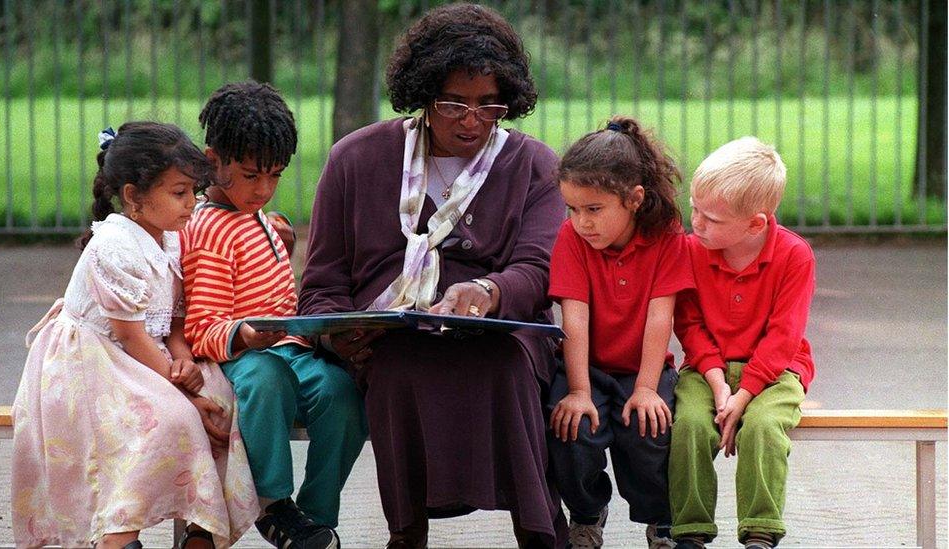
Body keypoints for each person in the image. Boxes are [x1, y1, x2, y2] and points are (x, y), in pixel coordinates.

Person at [297, 4, 568, 547]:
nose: (471, 119)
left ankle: (540, 528)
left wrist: (489, 291)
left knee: (506, 363)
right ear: (422, 93)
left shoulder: (533, 163)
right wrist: (342, 334)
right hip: (390, 336)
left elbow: (540, 270)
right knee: (397, 363)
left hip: (503, 330)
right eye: (453, 104)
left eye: (489, 104)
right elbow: (322, 282)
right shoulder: (356, 158)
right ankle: (406, 531)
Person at [10, 122, 259, 549]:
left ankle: (201, 531)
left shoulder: (170, 239)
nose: (190, 205)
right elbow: (130, 336)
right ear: (133, 196)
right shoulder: (113, 245)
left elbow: (173, 317)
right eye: (179, 193)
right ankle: (118, 534)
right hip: (93, 363)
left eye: (193, 192)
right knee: (165, 420)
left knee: (220, 399)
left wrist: (182, 359)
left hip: (144, 355)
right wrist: (181, 388)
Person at [181, 81, 368, 549]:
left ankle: (315, 515)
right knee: (268, 379)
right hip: (239, 359)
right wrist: (244, 335)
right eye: (249, 176)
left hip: (286, 350)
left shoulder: (262, 218)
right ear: (212, 161)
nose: (263, 189)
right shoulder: (207, 230)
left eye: (275, 176)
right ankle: (274, 506)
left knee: (342, 392)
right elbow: (200, 328)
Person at [545, 117, 692, 549]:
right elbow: (573, 318)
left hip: (642, 369)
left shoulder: (666, 235)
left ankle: (660, 518)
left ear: (634, 199)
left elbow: (659, 317)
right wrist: (578, 390)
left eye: (593, 209)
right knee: (571, 431)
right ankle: (587, 512)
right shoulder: (571, 238)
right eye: (572, 209)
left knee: (650, 431)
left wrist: (646, 388)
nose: (581, 222)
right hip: (584, 366)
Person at [669, 137, 816, 549]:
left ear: (755, 223)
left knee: (765, 427)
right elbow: (690, 326)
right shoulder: (691, 250)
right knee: (691, 426)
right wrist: (720, 389)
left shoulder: (794, 256)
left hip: (775, 371)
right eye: (694, 207)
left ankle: (760, 531)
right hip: (706, 368)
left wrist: (746, 394)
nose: (695, 222)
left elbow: (783, 337)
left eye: (710, 217)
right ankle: (689, 532)